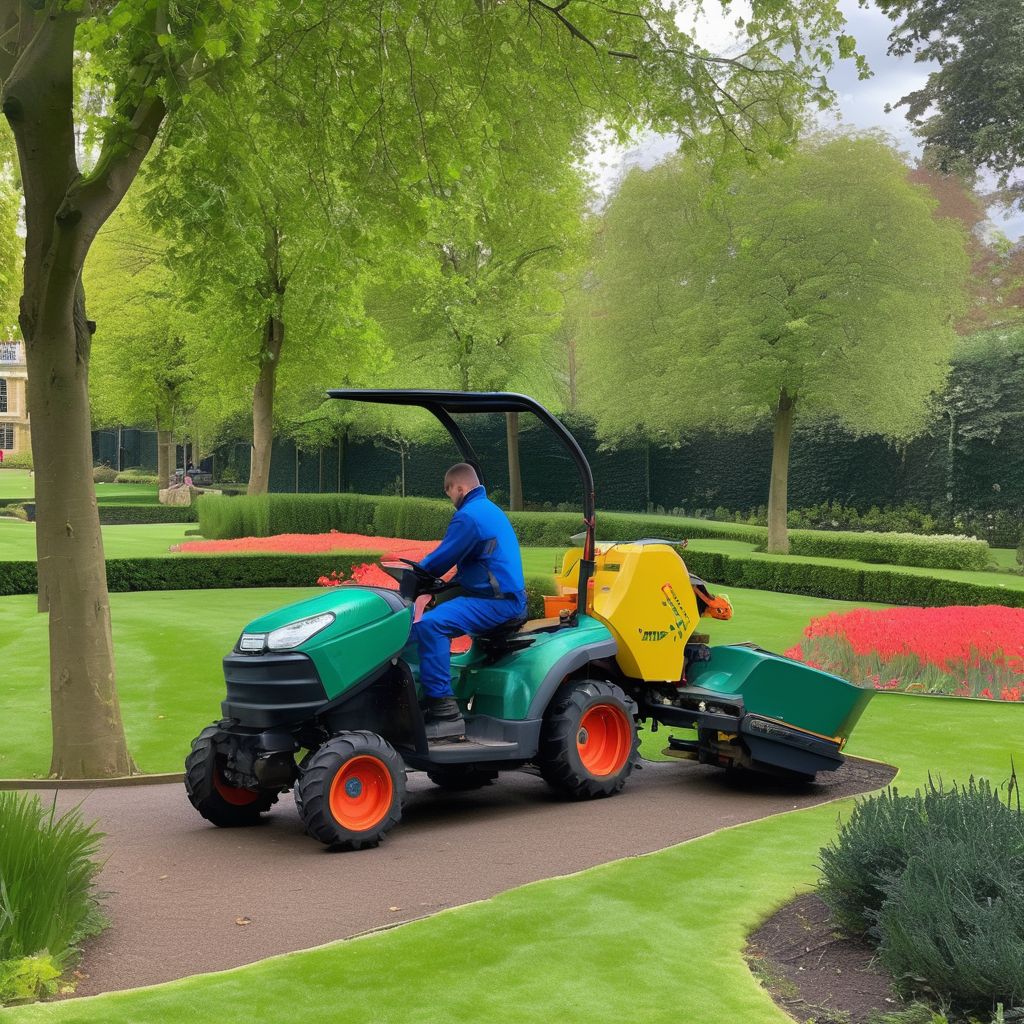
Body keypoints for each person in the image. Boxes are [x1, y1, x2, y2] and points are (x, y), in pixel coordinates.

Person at [411, 463, 527, 738]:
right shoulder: (486, 510)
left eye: (449, 493)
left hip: (499, 602)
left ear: (460, 488)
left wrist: (412, 579)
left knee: (431, 625)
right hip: (497, 595)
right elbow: (472, 565)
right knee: (426, 621)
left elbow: (438, 560)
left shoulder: (469, 517)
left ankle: (444, 712)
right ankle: (426, 697)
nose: (451, 500)